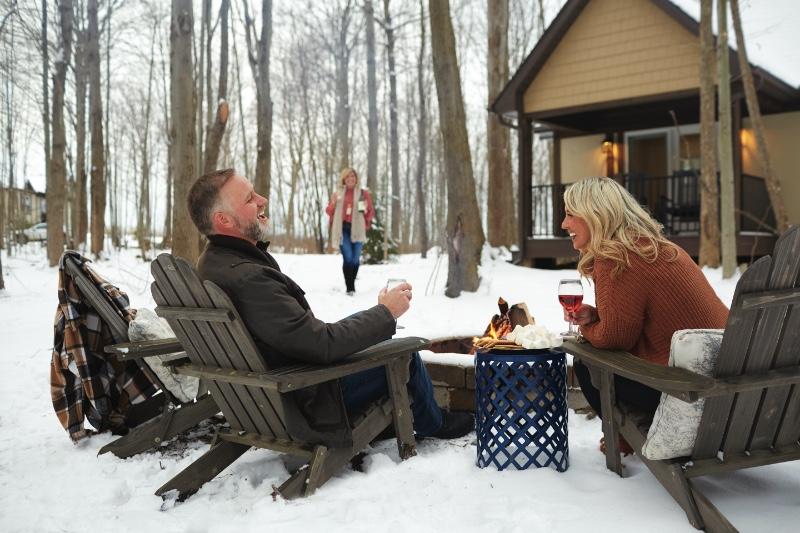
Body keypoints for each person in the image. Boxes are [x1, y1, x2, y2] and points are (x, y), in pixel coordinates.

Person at [186, 169, 472, 447]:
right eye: (249, 198)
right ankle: (434, 423)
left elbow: (304, 336)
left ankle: (406, 414)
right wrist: (386, 314)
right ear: (223, 219)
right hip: (307, 399)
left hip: (272, 391)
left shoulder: (215, 263)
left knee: (377, 332)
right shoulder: (248, 277)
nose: (262, 200)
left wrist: (378, 318)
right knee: (404, 354)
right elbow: (321, 344)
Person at [561, 177, 729, 452]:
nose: (564, 225)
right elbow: (643, 318)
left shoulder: (617, 258)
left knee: (586, 362)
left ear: (596, 215)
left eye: (570, 215)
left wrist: (585, 331)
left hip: (689, 393)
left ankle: (629, 437)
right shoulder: (657, 248)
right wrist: (598, 316)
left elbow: (615, 339)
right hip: (728, 385)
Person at [326, 167, 374, 295]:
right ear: (344, 179)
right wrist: (333, 203)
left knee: (355, 259)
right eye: (347, 177)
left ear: (356, 179)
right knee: (348, 258)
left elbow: (369, 211)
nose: (350, 179)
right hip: (342, 229)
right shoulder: (338, 193)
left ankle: (350, 283)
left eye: (352, 176)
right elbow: (329, 211)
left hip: (358, 228)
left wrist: (366, 224)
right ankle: (350, 288)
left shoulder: (363, 193)